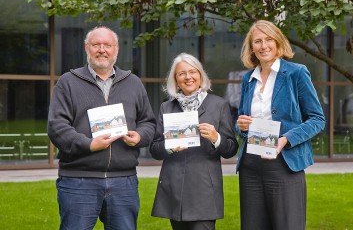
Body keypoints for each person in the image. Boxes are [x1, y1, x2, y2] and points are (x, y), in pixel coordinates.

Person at [47, 26, 157, 230]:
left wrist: (140, 136)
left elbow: (148, 122)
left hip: (124, 181)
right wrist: (89, 145)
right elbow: (57, 127)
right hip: (78, 181)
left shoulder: (133, 83)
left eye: (107, 45)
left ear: (116, 49)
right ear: (86, 48)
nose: (102, 50)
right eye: (96, 44)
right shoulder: (68, 82)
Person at [235, 20, 326, 230]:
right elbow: (241, 121)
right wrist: (240, 124)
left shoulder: (296, 72)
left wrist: (287, 138)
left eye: (268, 40)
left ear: (277, 43)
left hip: (284, 163)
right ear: (251, 47)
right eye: (257, 41)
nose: (263, 45)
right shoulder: (248, 78)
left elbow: (317, 119)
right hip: (251, 165)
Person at [150, 52, 239, 230]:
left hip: (204, 190)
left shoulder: (218, 105)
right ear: (175, 79)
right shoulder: (166, 107)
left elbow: (231, 149)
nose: (188, 77)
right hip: (174, 188)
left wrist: (216, 138)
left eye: (192, 72)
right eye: (181, 74)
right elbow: (154, 149)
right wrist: (169, 145)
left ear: (200, 75)